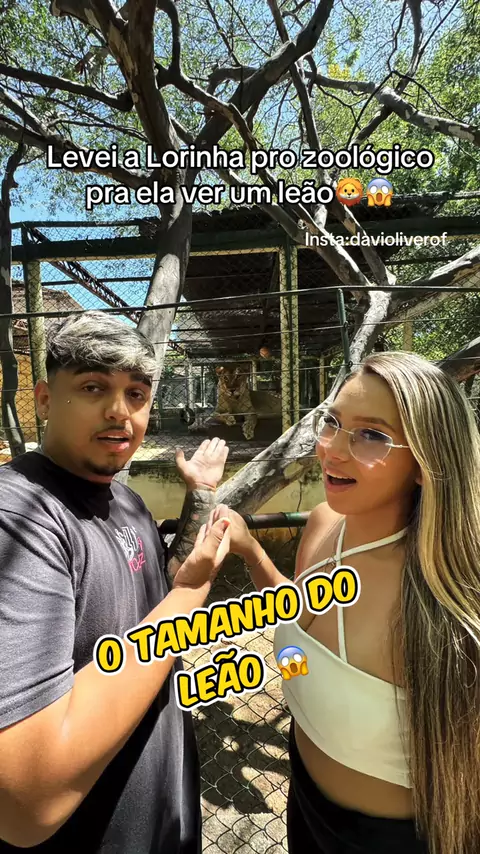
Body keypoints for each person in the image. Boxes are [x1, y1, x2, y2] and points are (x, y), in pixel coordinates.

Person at [209, 351, 480, 854]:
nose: (331, 449)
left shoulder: (446, 598)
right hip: (303, 805)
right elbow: (299, 615)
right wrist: (250, 550)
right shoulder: (321, 524)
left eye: (372, 435)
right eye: (331, 422)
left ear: (427, 463)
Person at [0, 311, 230, 853]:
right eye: (93, 387)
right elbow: (27, 803)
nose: (119, 411)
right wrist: (189, 597)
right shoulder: (19, 516)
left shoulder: (125, 501)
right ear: (44, 399)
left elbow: (158, 595)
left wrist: (200, 495)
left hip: (160, 821)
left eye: (136, 394)